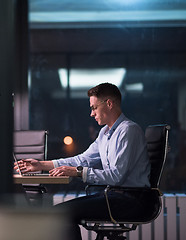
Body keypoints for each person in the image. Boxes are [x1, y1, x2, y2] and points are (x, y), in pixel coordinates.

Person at [14, 82, 151, 240]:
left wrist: (78, 172)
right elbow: (83, 159)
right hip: (114, 196)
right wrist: (41, 165)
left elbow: (116, 176)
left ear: (109, 104)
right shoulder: (105, 133)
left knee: (61, 215)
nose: (91, 114)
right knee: (59, 214)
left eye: (93, 107)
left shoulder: (128, 130)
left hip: (131, 200)